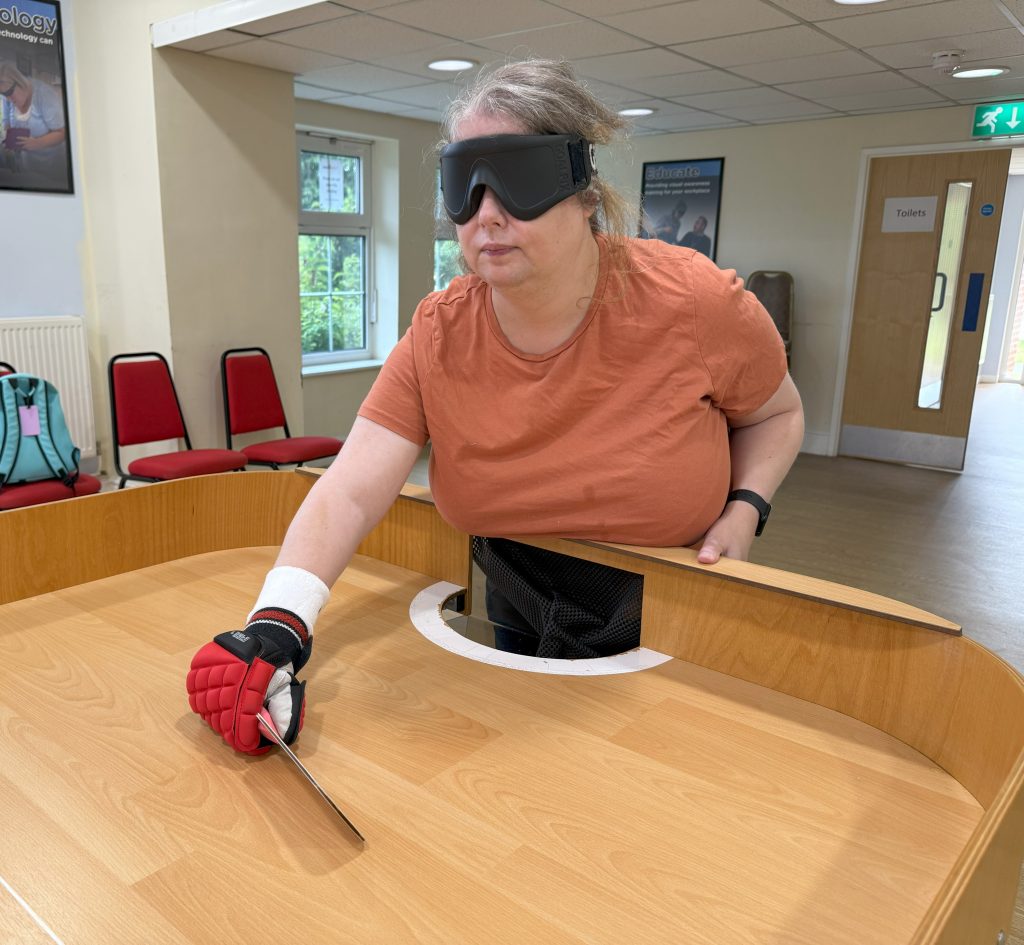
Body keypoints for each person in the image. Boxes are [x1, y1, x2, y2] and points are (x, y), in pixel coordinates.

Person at [186, 59, 804, 755]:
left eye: (518, 179)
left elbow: (776, 414)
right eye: (466, 184)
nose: (487, 214)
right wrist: (279, 619)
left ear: (582, 191)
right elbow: (352, 487)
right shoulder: (440, 331)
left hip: (676, 608)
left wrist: (746, 508)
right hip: (516, 593)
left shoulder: (694, 302)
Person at [0, 62, 68, 187]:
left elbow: (62, 132)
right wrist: (9, 140)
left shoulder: (44, 95)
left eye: (9, 93)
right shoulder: (7, 96)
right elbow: (6, 122)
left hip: (50, 166)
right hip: (25, 165)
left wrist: (38, 143)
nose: (8, 99)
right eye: (3, 95)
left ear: (19, 82)